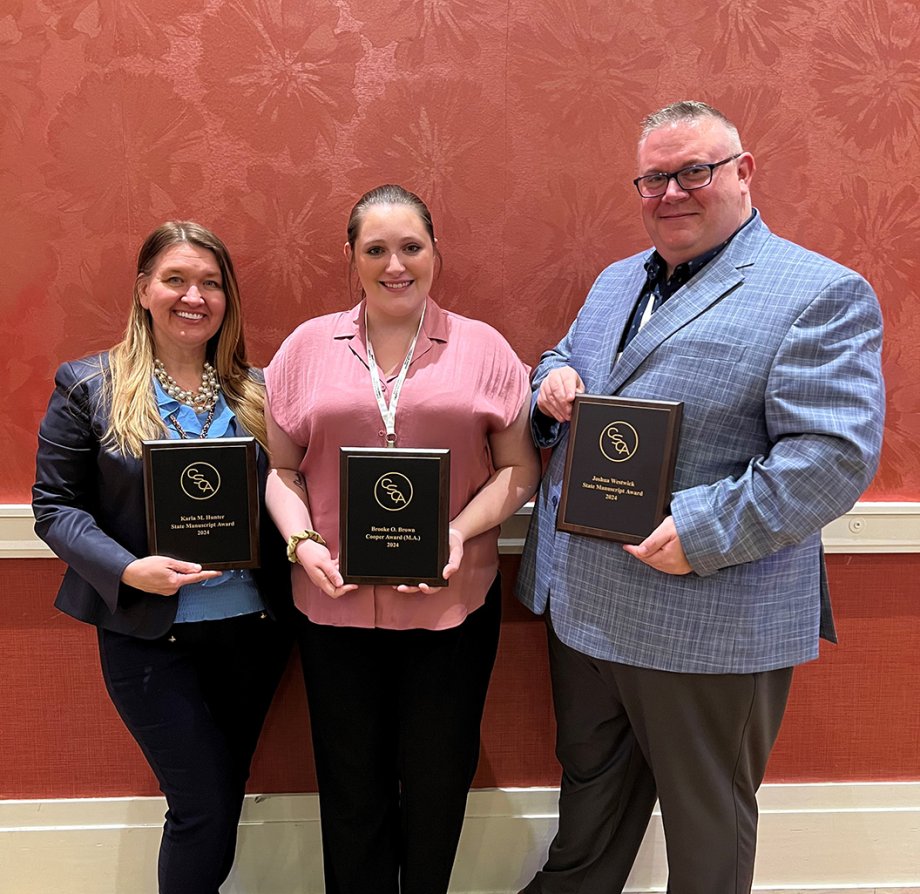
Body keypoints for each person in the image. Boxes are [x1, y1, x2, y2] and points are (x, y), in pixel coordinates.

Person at [515, 101, 885, 894]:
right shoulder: (618, 279)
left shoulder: (819, 291)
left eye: (695, 171)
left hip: (708, 610)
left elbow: (832, 455)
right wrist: (550, 380)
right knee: (590, 799)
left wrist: (703, 529)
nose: (672, 192)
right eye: (654, 177)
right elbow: (567, 354)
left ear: (743, 172)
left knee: (706, 828)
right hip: (586, 605)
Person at [264, 184, 541, 894]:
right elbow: (282, 471)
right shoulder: (303, 349)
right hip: (334, 610)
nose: (395, 265)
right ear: (351, 257)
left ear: (435, 253)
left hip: (451, 610)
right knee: (350, 790)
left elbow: (518, 470)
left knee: (436, 786)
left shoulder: (485, 348)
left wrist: (455, 531)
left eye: (410, 247)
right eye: (376, 249)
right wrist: (303, 545)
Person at [32, 221, 293, 894]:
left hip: (252, 633)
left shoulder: (261, 392)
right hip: (150, 634)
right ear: (144, 289)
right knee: (201, 804)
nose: (193, 296)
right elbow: (55, 508)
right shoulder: (89, 386)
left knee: (223, 798)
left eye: (210, 283)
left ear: (227, 299)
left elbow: (295, 494)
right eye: (176, 279)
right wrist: (127, 568)